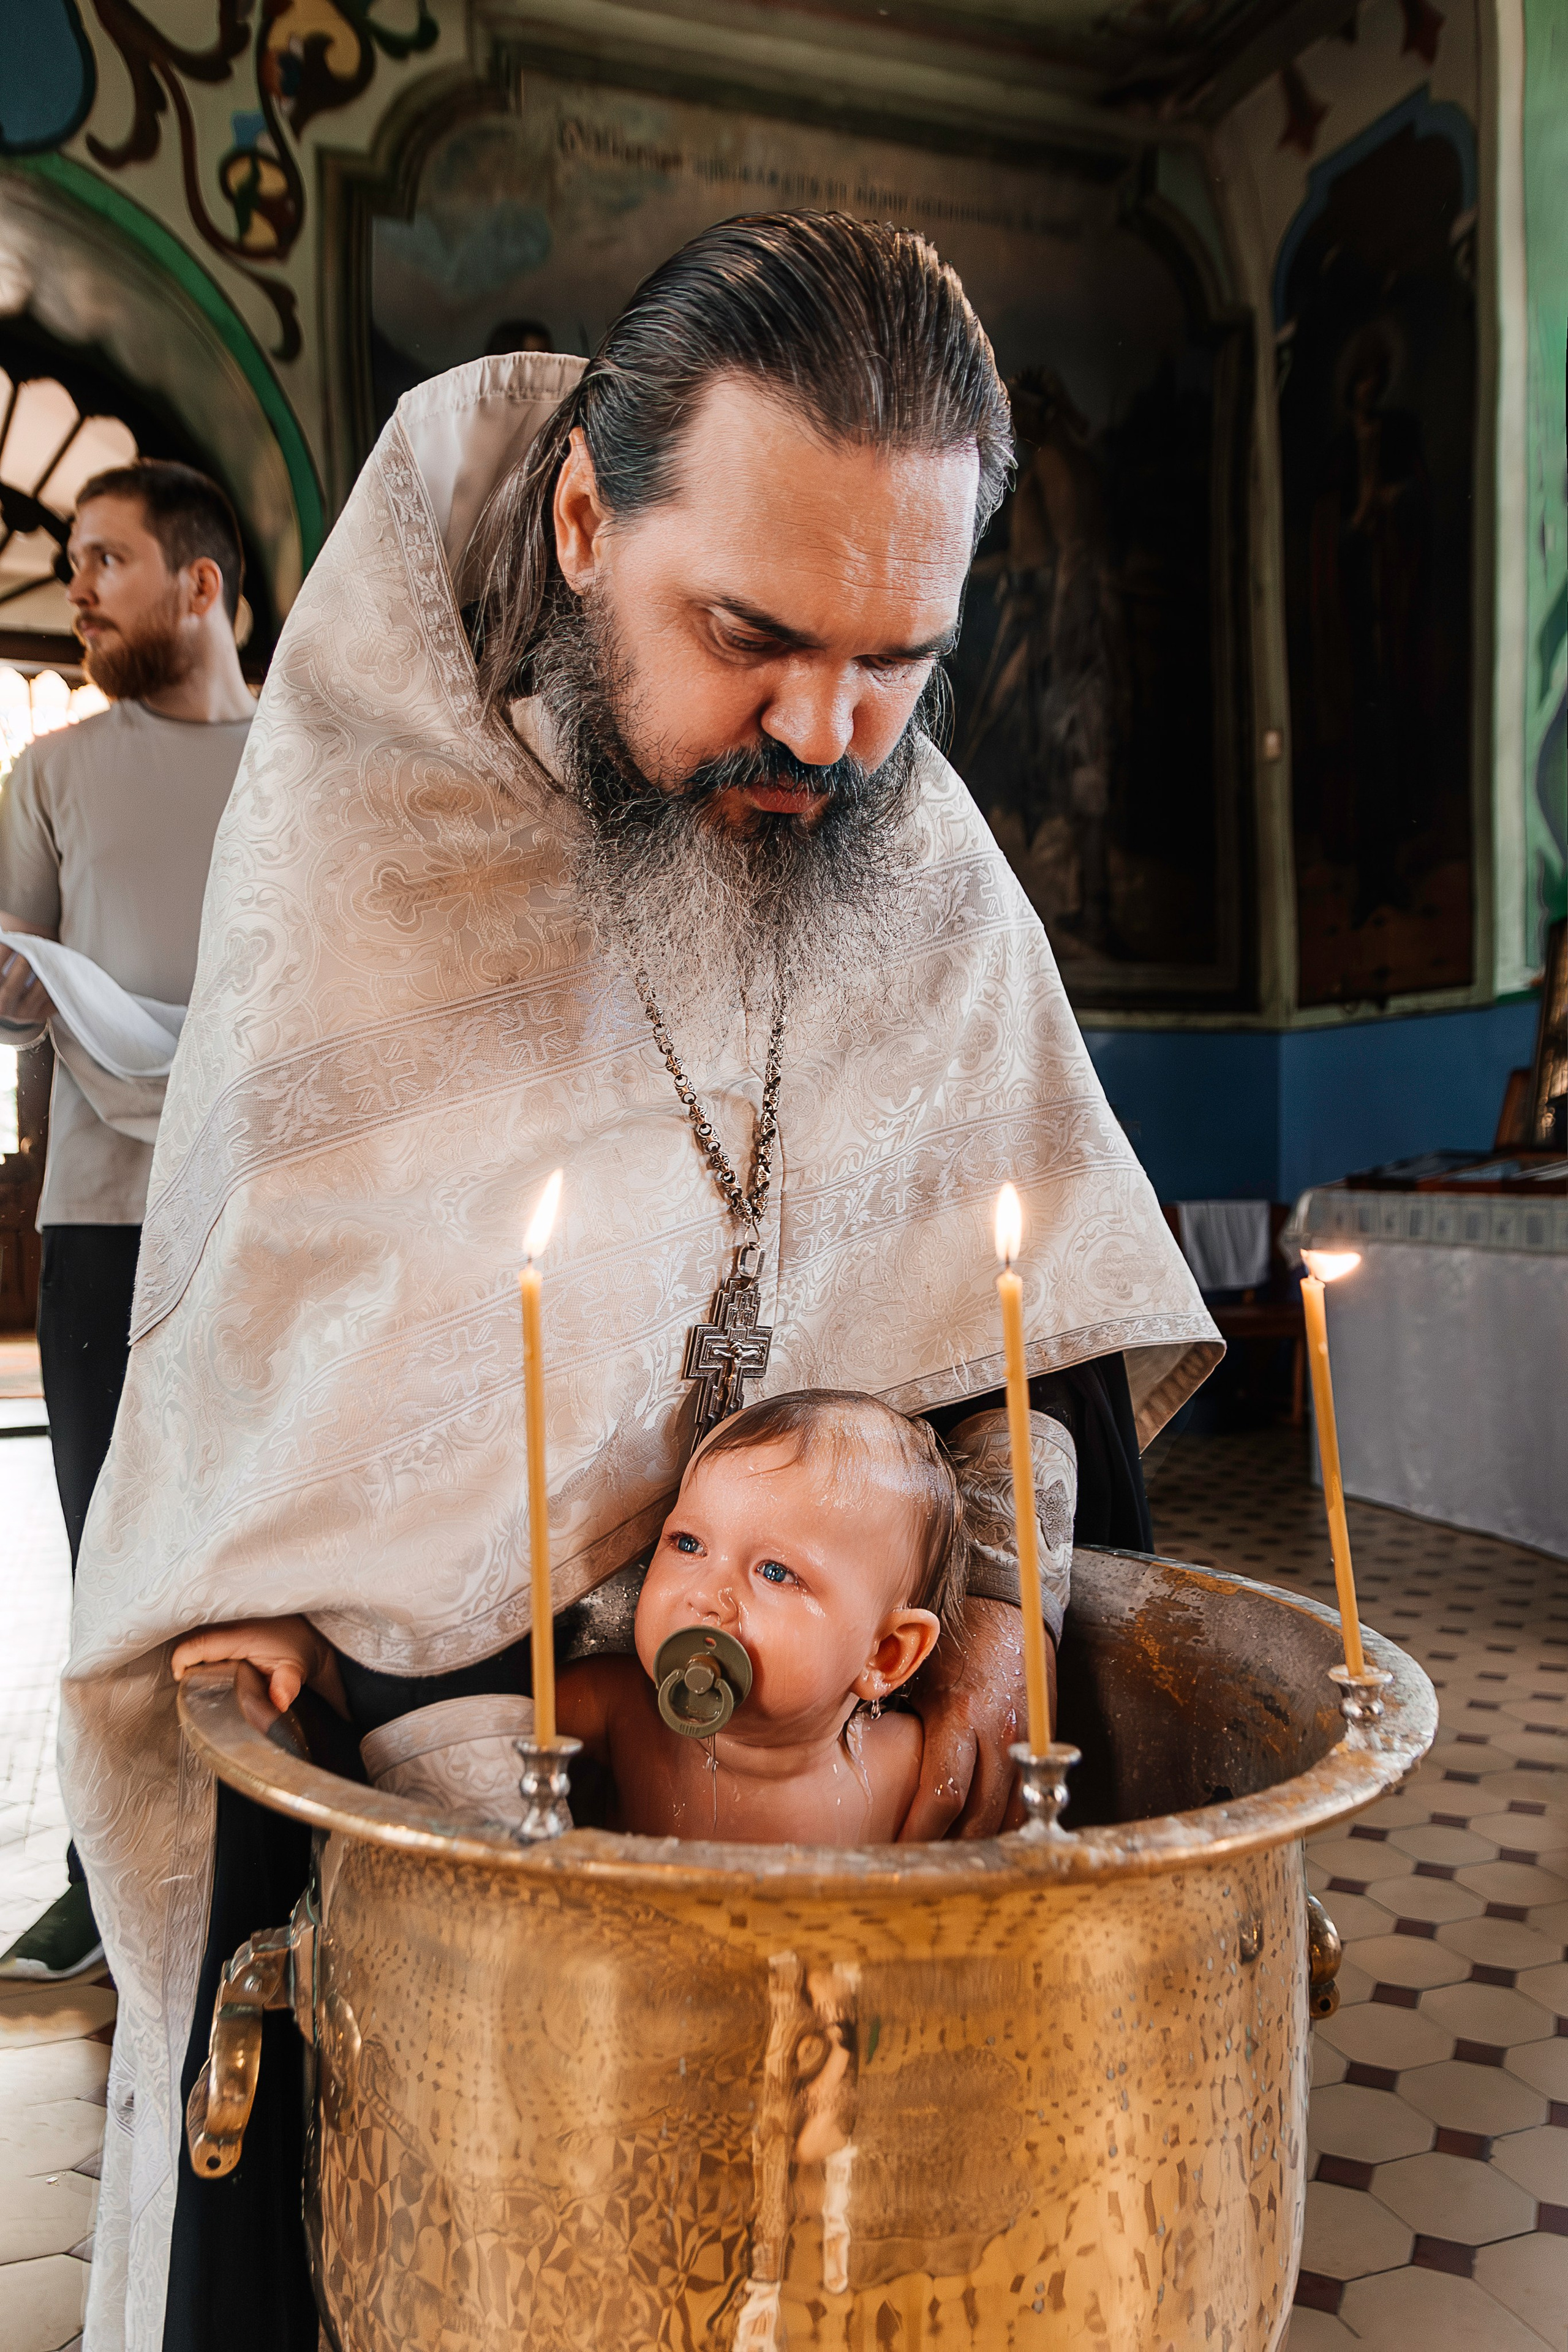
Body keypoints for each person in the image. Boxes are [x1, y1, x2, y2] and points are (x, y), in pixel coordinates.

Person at [63, 215, 1218, 2350]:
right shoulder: (373, 810)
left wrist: (981, 1637)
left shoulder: (909, 841)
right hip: (455, 1841)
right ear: (590, 516)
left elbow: (1024, 1317)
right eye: (755, 634)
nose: (835, 733)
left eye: (902, 661)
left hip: (874, 1809)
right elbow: (305, 1370)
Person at [168, 1389, 1019, 1845]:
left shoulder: (914, 1777)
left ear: (887, 1653)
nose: (708, 1595)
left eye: (774, 1571)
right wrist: (321, 1661)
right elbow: (449, 1729)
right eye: (687, 1544)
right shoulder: (621, 1711)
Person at [0, 459, 254, 1985]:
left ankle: (251, 1855)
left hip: (267, 1212)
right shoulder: (51, 775)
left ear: (202, 586)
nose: (77, 588)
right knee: (110, 1560)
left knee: (249, 1556)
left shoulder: (313, 759)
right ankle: (104, 1882)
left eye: (105, 561)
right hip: (101, 1222)